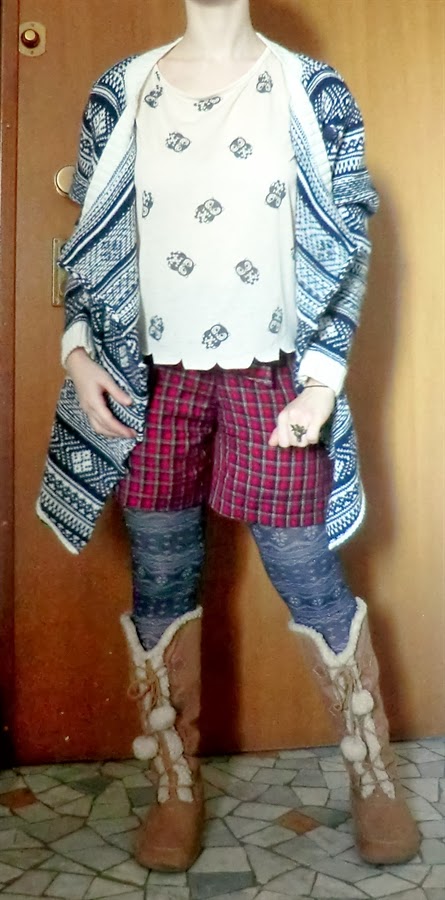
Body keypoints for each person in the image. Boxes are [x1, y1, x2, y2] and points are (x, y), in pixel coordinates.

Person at [37, 0, 419, 874]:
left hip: (273, 370)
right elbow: (91, 238)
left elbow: (348, 237)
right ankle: (173, 783)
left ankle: (372, 774)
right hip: (148, 378)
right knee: (160, 575)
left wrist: (321, 380)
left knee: (305, 567)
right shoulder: (121, 90)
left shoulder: (311, 90)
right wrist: (77, 355)